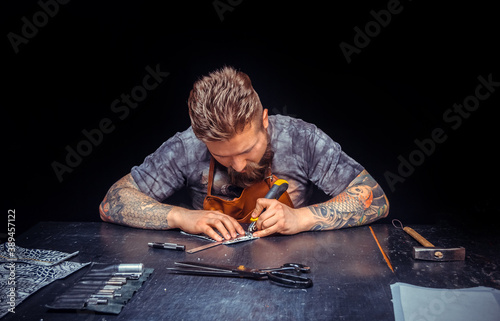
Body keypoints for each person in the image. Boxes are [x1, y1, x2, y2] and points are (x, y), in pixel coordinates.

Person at [99, 66, 389, 241]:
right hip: (209, 273)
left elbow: (374, 197)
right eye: (223, 156)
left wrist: (301, 219)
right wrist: (181, 217)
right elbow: (112, 203)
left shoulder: (301, 138)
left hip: (289, 270)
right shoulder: (188, 146)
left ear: (264, 121)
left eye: (248, 150)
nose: (237, 165)